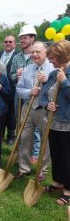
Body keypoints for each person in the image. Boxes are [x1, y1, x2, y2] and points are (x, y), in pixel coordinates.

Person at [15, 41, 54, 181]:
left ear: (46, 52)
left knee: (46, 140)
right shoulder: (27, 69)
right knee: (24, 137)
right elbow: (19, 90)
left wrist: (45, 82)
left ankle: (42, 170)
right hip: (28, 107)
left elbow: (57, 92)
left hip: (44, 109)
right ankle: (24, 168)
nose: (34, 55)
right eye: (33, 52)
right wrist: (28, 92)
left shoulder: (53, 68)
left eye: (38, 52)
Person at [40, 40, 70, 205]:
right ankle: (58, 181)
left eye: (52, 57)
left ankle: (68, 189)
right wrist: (47, 104)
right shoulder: (53, 73)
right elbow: (44, 94)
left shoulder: (64, 74)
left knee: (67, 156)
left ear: (61, 56)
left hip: (67, 123)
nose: (50, 61)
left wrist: (64, 81)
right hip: (53, 121)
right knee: (56, 154)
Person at [10, 25, 40, 164]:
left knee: (35, 124)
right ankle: (21, 148)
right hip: (20, 94)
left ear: (32, 38)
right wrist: (16, 75)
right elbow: (10, 76)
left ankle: (35, 153)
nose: (21, 40)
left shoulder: (37, 57)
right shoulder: (17, 58)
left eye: (25, 38)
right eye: (21, 38)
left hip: (35, 95)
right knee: (20, 122)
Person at [0, 35, 19, 145]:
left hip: (12, 90)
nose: (8, 43)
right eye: (6, 41)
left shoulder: (17, 56)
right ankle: (0, 133)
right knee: (0, 113)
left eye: (10, 42)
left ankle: (11, 135)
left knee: (11, 114)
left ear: (14, 44)